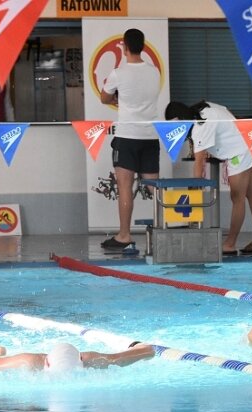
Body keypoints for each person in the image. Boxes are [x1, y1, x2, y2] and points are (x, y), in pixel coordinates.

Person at [165, 101, 252, 256]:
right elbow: (227, 112)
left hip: (237, 154)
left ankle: (230, 244)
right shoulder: (205, 107)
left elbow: (199, 162)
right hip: (247, 143)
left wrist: (195, 188)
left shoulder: (200, 127)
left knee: (237, 198)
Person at [99, 28, 161, 251]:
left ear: (124, 47)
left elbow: (104, 96)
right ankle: (167, 227)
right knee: (155, 187)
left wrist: (117, 97)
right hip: (150, 136)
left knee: (125, 186)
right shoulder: (154, 72)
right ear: (143, 47)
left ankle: (124, 235)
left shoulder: (119, 73)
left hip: (127, 137)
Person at [0, 342, 156, 373]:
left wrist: (146, 351)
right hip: (39, 360)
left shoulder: (91, 360)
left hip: (74, 356)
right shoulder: (30, 362)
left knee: (111, 360)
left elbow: (119, 358)